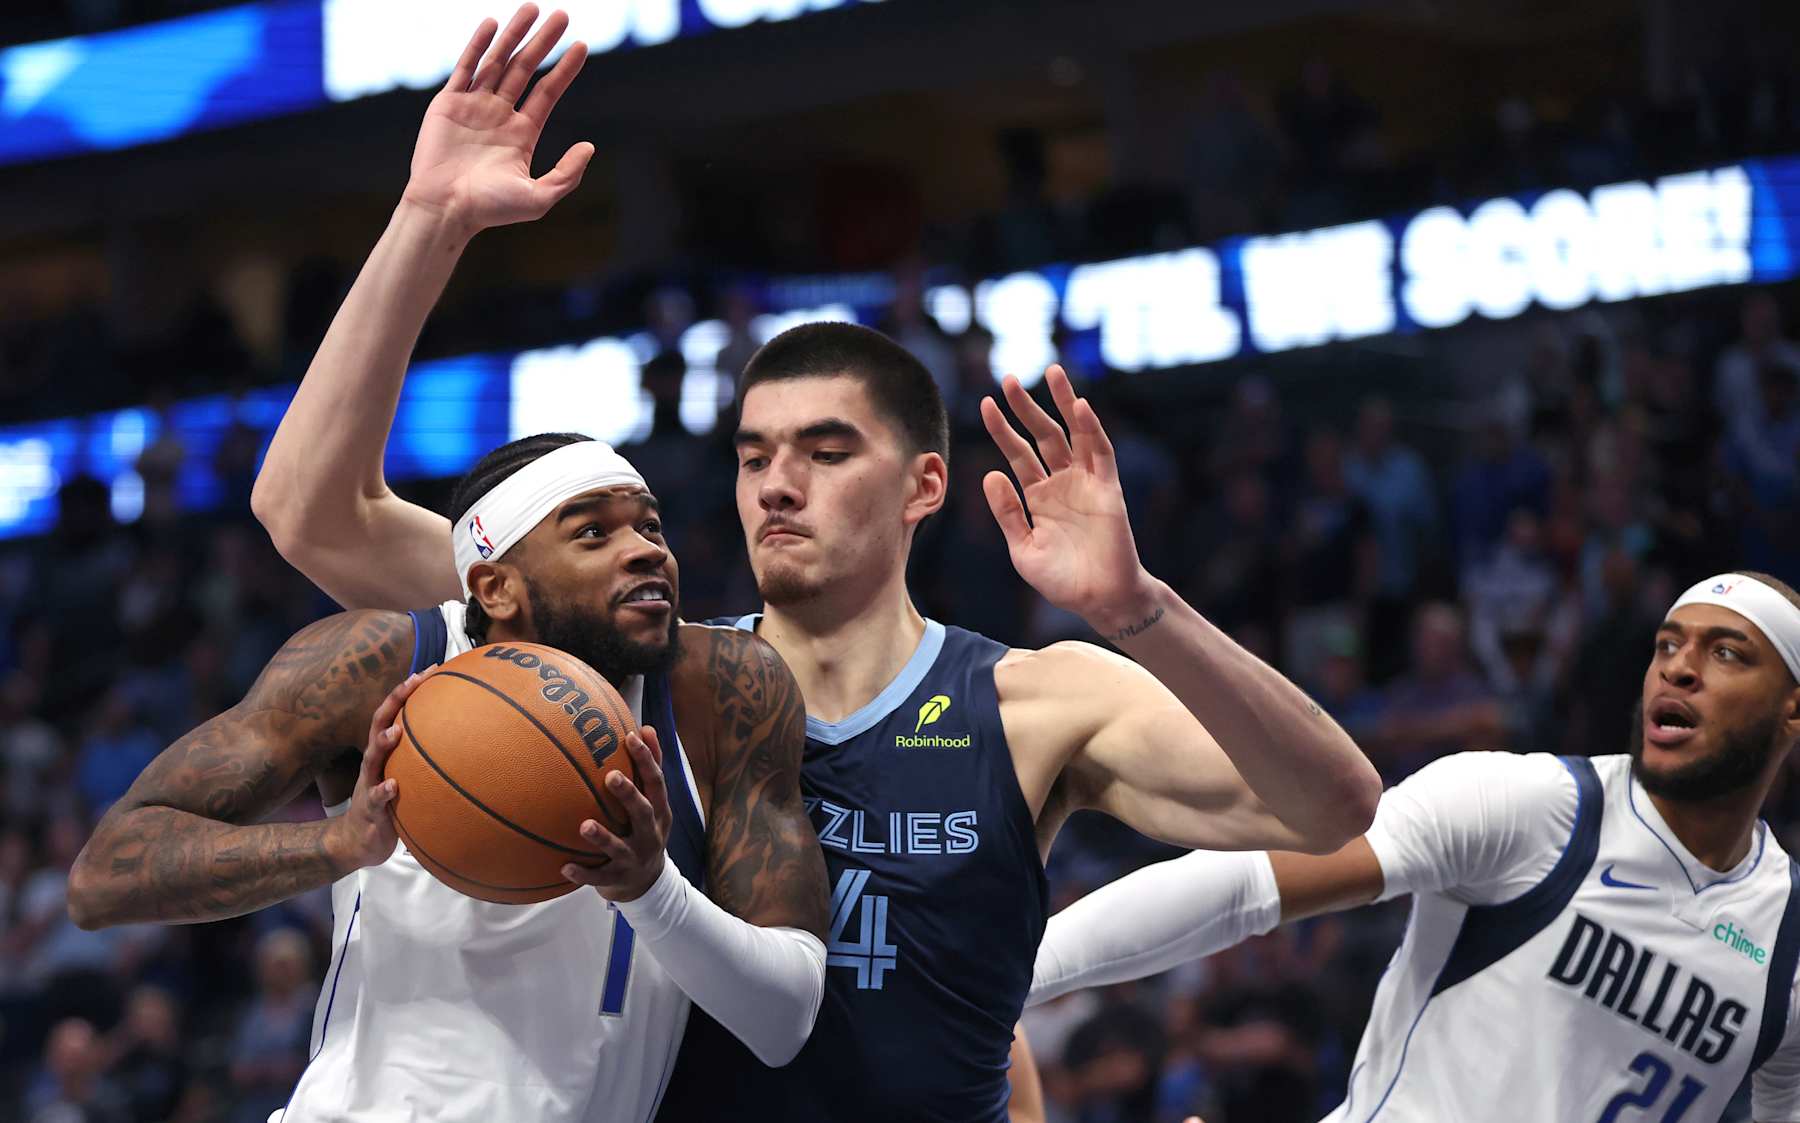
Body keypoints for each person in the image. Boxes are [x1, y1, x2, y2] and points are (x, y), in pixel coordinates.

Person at [248, 9, 1383, 1120]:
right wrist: (430, 219)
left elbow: (1333, 806)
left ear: (923, 488)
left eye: (826, 451)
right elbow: (313, 515)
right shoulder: (638, 668)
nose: (776, 484)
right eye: (753, 457)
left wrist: (1141, 608)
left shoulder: (1034, 700)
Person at [68, 430, 831, 1120]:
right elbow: (103, 877)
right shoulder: (379, 662)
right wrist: (335, 845)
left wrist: (649, 887)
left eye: (650, 525)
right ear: (497, 588)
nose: (644, 550)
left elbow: (784, 1021)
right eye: (594, 532)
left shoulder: (722, 688)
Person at [1028, 571, 1800, 1121]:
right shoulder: (1537, 809)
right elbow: (1243, 886)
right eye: (1668, 644)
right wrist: (1006, 978)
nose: (1681, 668)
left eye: (1727, 652)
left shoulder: (1789, 948)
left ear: (1791, 710)